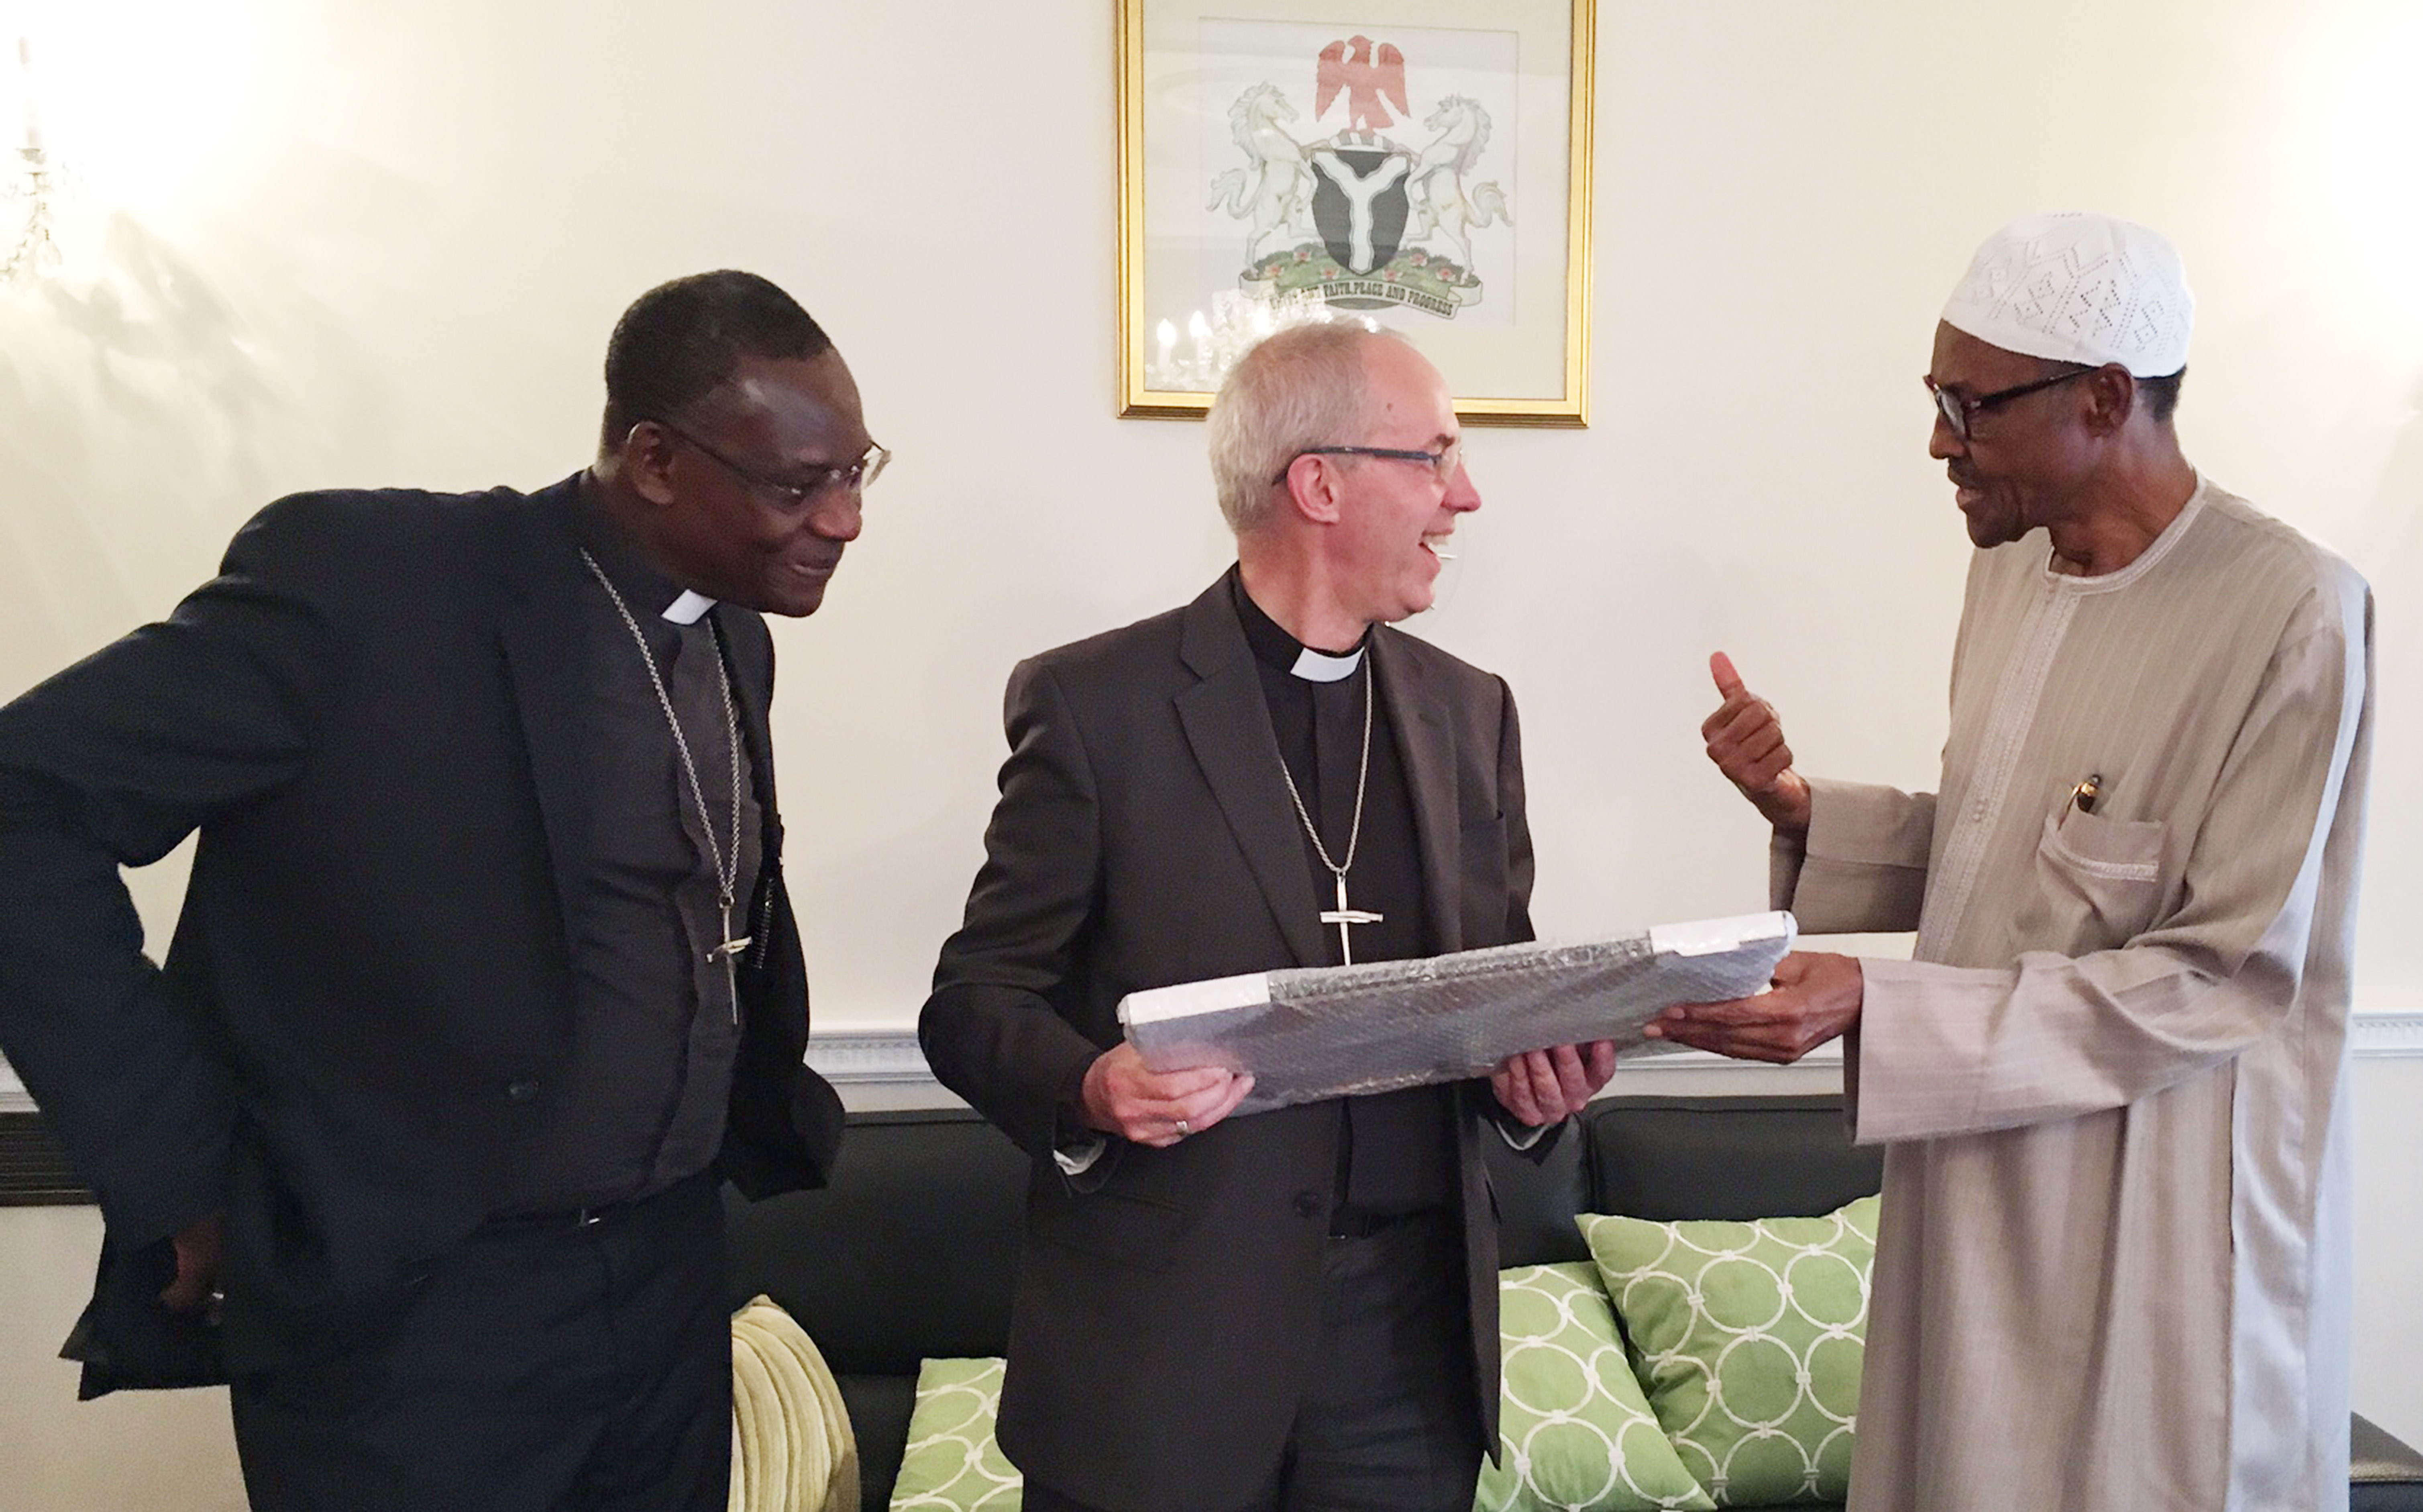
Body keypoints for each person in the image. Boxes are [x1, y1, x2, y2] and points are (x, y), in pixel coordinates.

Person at [0, 269, 881, 1510]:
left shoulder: (733, 633)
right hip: (425, 1315)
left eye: (857, 472)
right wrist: (179, 1165)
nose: (842, 520)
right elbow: (23, 806)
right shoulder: (374, 583)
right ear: (656, 461)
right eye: (796, 484)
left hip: (666, 1288)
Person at [1661, 212, 2374, 1512]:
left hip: (2156, 1218)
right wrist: (1805, 807)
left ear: (2105, 399)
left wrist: (1879, 1001)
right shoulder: (2009, 575)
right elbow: (2008, 841)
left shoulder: (2293, 612)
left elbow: (2221, 979)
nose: (1939, 440)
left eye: (1968, 405)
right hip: (1972, 1175)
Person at [919, 322, 1616, 1512]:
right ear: (1319, 483)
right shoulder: (1099, 706)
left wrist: (1531, 1090)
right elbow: (975, 1002)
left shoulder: (1470, 715)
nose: (1467, 496)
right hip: (1165, 1352)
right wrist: (1091, 1088)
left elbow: (1497, 997)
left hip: (1408, 1356)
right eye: (1436, 457)